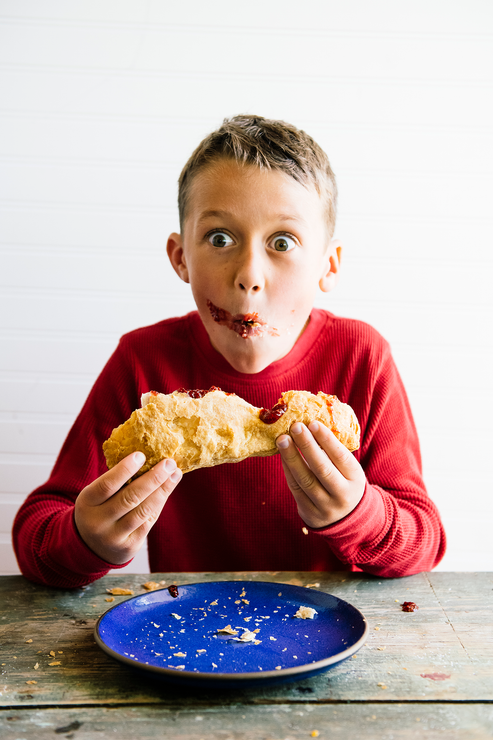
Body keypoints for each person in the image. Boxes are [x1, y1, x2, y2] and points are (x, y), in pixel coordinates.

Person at [13, 115, 446, 587]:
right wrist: (87, 539)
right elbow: (37, 531)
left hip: (328, 634)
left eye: (282, 242)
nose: (249, 275)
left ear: (328, 264)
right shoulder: (142, 363)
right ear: (181, 258)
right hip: (184, 636)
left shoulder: (361, 358)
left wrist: (359, 515)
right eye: (220, 238)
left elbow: (423, 541)